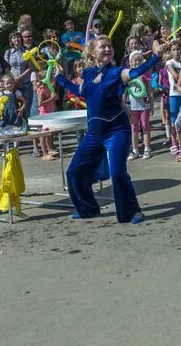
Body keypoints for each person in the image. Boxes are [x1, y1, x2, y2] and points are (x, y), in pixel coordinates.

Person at [55, 35, 164, 222]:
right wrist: (59, 78)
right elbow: (79, 91)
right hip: (95, 133)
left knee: (118, 173)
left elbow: (136, 72)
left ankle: (133, 211)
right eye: (102, 47)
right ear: (92, 53)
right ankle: (87, 208)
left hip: (117, 130)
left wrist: (156, 57)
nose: (107, 49)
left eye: (109, 47)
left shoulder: (117, 72)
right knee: (74, 172)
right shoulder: (87, 74)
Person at [124, 51, 153, 161]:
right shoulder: (128, 75)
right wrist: (124, 104)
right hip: (132, 105)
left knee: (145, 126)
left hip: (144, 104)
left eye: (139, 60)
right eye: (135, 60)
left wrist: (150, 104)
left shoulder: (145, 75)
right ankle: (135, 150)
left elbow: (149, 90)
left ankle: (147, 148)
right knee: (134, 128)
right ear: (130, 62)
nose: (137, 62)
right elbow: (125, 91)